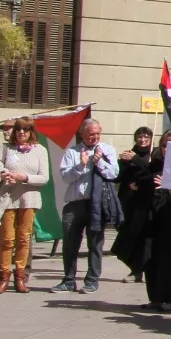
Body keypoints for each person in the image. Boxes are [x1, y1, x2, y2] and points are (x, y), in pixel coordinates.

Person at [56, 118, 122, 293]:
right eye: (91, 134)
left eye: (98, 134)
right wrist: (81, 165)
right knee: (70, 243)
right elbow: (65, 177)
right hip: (76, 203)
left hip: (97, 204)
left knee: (95, 243)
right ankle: (68, 280)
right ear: (82, 133)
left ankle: (92, 280)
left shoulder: (107, 149)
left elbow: (114, 173)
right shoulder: (72, 152)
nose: (95, 137)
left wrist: (99, 162)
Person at [0, 117, 49, 294]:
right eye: (19, 130)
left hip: (29, 199)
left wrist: (23, 177)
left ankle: (20, 278)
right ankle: (3, 277)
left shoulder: (40, 150)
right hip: (7, 198)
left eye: (26, 130)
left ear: (31, 132)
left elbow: (44, 178)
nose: (22, 133)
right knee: (6, 239)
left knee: (23, 238)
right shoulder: (6, 149)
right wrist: (3, 173)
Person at [140, 130, 171, 311]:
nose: (167, 149)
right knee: (150, 256)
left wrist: (169, 183)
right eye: (164, 145)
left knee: (168, 257)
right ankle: (155, 298)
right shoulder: (156, 163)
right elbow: (142, 178)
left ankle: (170, 299)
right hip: (152, 215)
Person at [111, 127, 156, 284]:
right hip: (128, 202)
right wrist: (122, 163)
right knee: (126, 236)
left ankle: (138, 270)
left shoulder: (154, 155)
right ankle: (134, 268)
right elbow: (116, 178)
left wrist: (136, 159)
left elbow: (152, 171)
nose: (142, 140)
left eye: (146, 137)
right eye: (139, 137)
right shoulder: (128, 154)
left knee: (141, 238)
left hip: (145, 204)